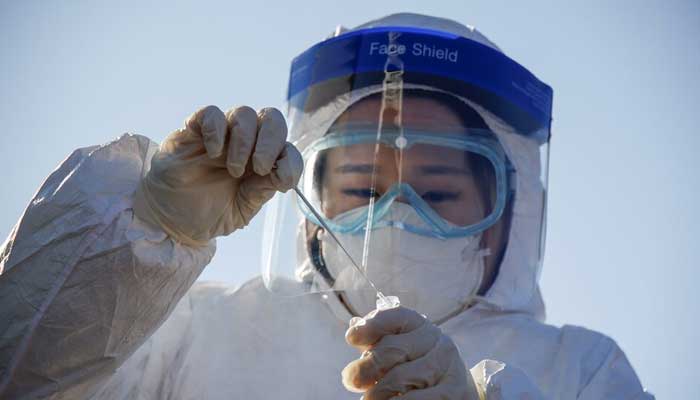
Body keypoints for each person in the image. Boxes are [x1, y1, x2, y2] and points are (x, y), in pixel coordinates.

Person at [0, 13, 653, 400]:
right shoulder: (197, 331)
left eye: (439, 193)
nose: (397, 214)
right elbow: (22, 377)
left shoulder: (577, 371)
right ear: (313, 193)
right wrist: (145, 228)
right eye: (365, 188)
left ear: (505, 218)